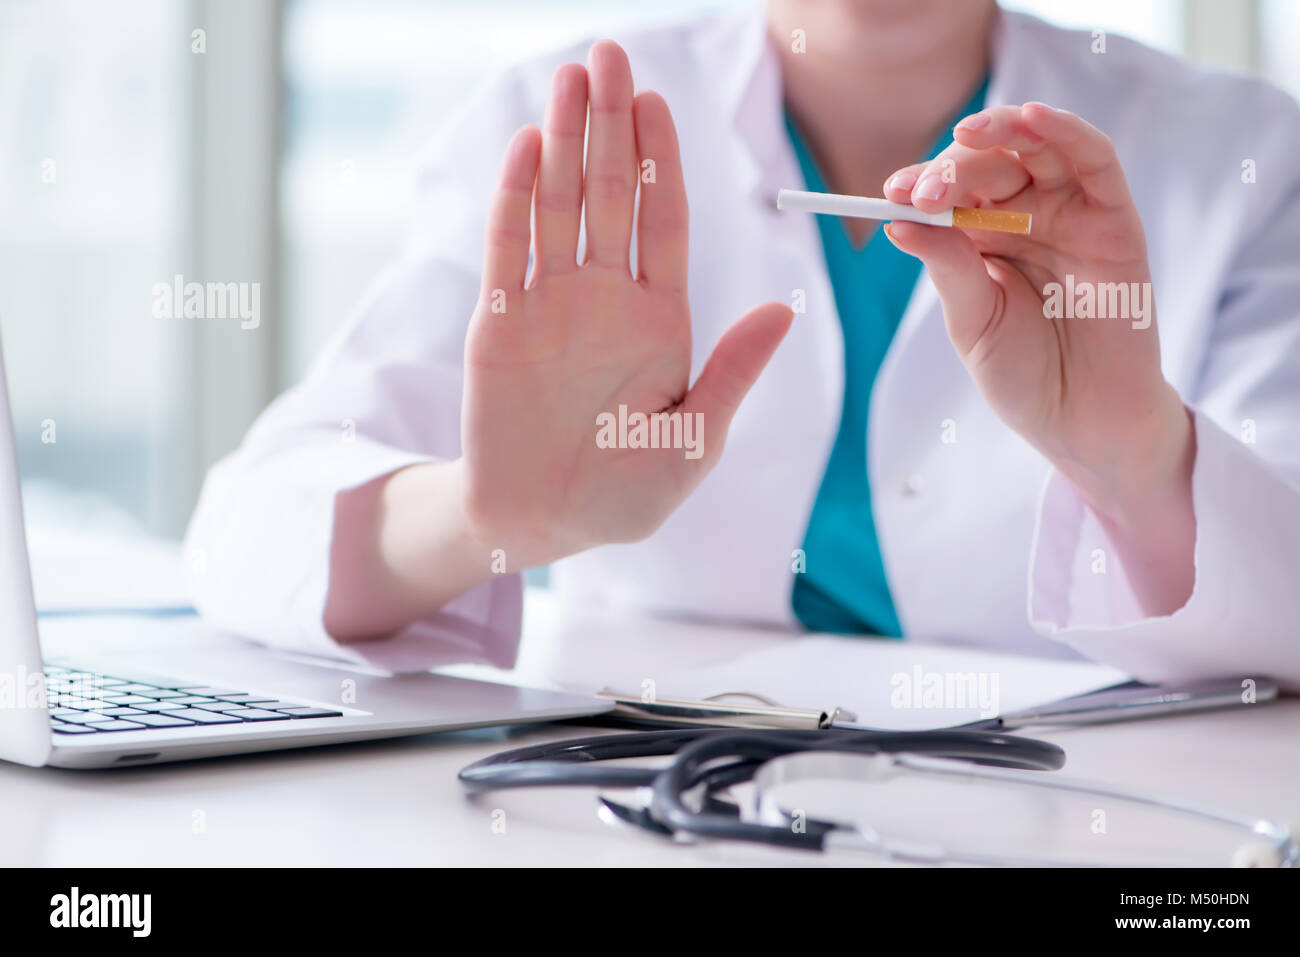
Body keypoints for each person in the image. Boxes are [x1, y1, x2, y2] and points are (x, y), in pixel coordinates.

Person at [184, 0, 1300, 687]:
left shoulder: (1239, 153)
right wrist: (484, 517)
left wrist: (1138, 457)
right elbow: (251, 527)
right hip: (645, 811)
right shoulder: (568, 122)